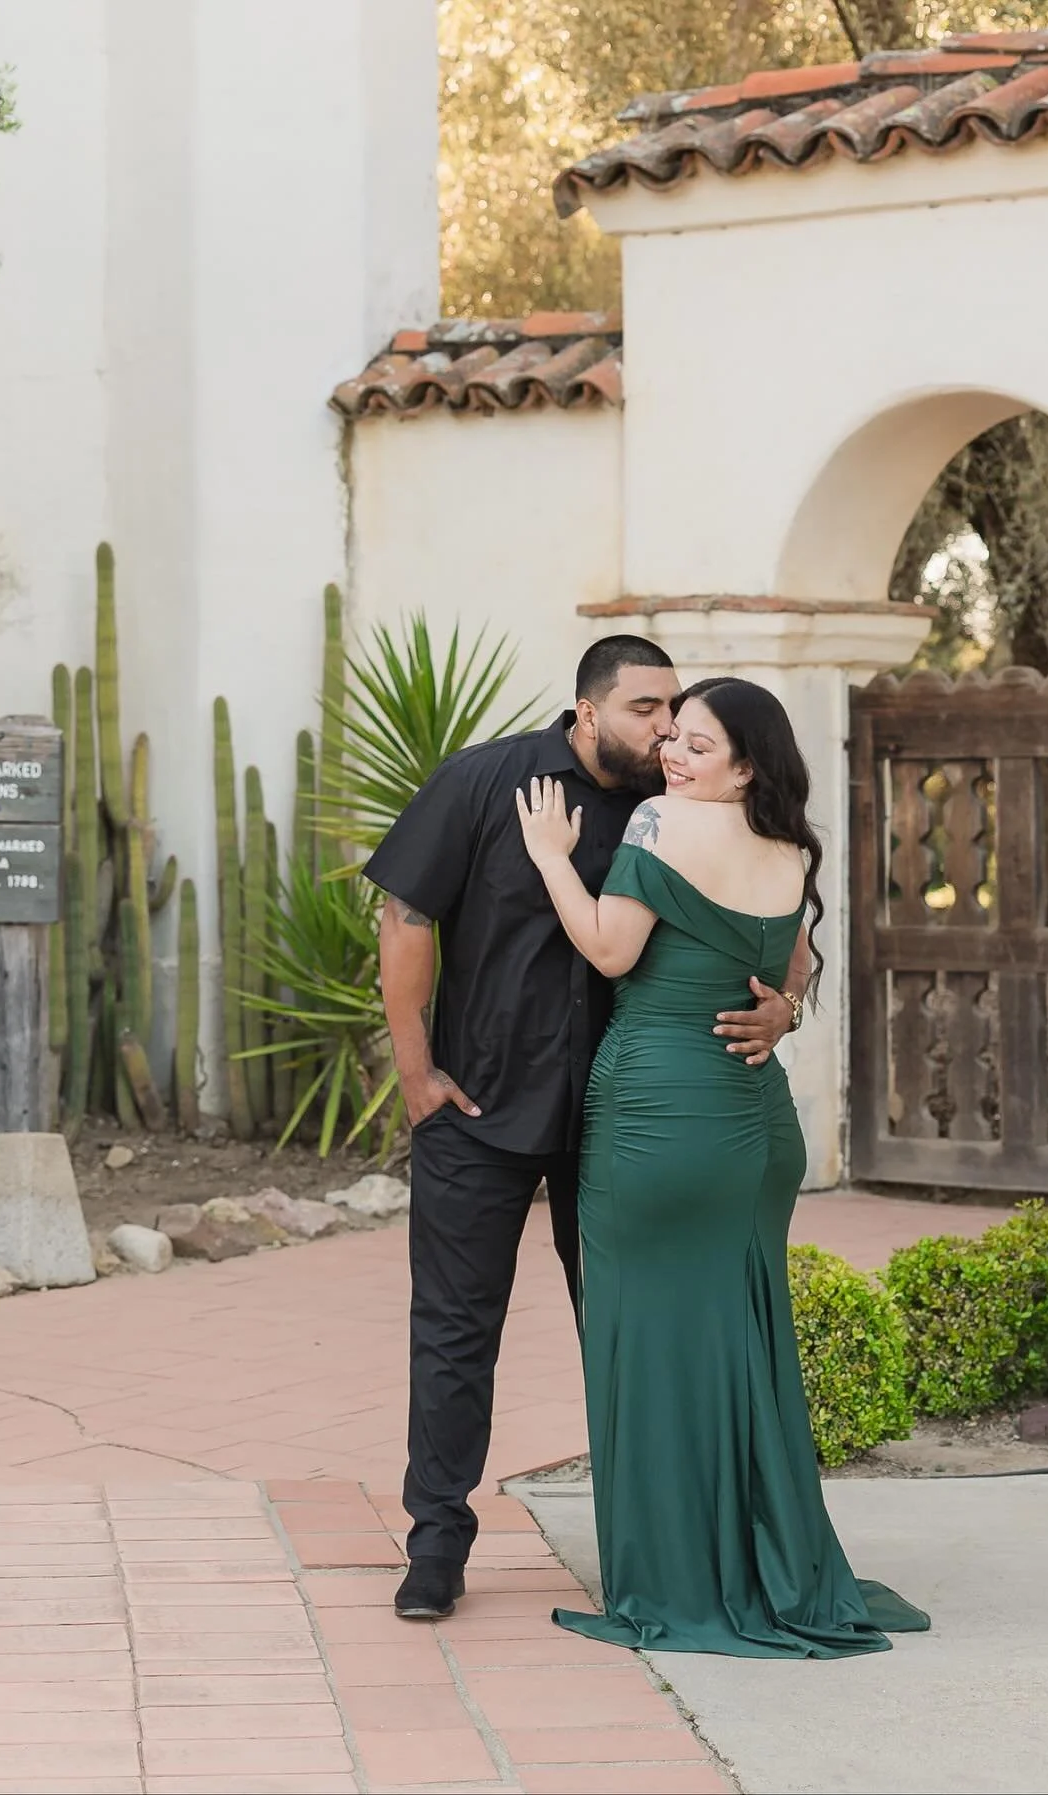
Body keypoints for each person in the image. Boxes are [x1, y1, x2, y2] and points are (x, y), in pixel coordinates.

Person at [365, 638, 807, 1623]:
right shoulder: (488, 781)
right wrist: (413, 1065)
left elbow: (775, 920)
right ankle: (436, 1538)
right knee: (452, 1331)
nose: (665, 730)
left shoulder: (682, 806)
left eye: (676, 713)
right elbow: (403, 912)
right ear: (586, 709)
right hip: (479, 1109)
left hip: (621, 1125)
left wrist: (786, 1008)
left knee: (623, 1333)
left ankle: (652, 1550)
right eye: (647, 709)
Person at [515, 675, 931, 1658]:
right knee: (743, 1349)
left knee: (646, 1347)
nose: (673, 755)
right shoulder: (786, 847)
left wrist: (550, 860)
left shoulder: (659, 824)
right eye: (674, 738)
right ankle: (762, 1553)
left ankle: (677, 1576)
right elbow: (788, 978)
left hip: (655, 1118)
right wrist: (783, 1015)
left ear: (745, 763)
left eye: (699, 744)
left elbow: (612, 952)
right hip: (751, 1126)